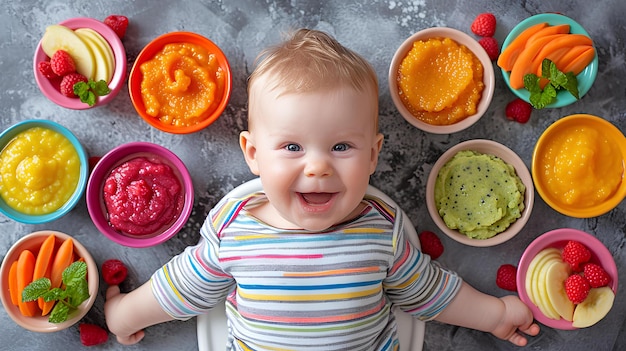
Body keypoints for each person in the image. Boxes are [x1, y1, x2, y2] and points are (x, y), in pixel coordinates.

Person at [104, 28, 539, 350]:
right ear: (253, 154)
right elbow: (177, 289)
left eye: (341, 146)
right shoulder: (234, 235)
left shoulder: (381, 235)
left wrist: (494, 315)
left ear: (372, 155)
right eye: (292, 146)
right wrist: (124, 314)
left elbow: (430, 293)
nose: (317, 167)